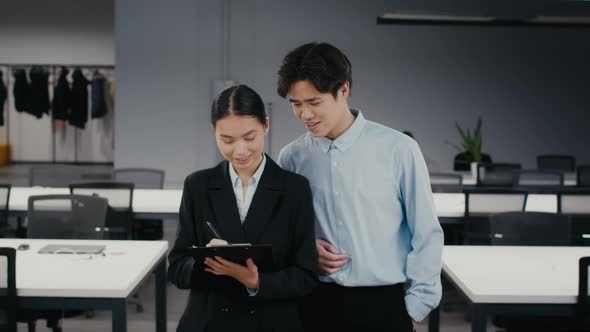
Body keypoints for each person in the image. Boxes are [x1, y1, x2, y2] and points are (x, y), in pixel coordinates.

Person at [276, 42, 444, 332]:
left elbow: (426, 231)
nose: (305, 114)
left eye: (314, 102)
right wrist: (305, 250)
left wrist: (415, 307)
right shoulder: (292, 157)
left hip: (383, 304)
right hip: (313, 302)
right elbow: (285, 231)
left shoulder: (398, 149)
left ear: (343, 90)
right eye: (296, 104)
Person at [168, 84, 318, 332]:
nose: (240, 150)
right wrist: (202, 260)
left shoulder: (294, 189)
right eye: (227, 140)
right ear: (214, 131)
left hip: (270, 322)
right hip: (209, 321)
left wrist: (256, 281)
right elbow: (175, 270)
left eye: (250, 137)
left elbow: (306, 276)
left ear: (266, 126)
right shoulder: (198, 185)